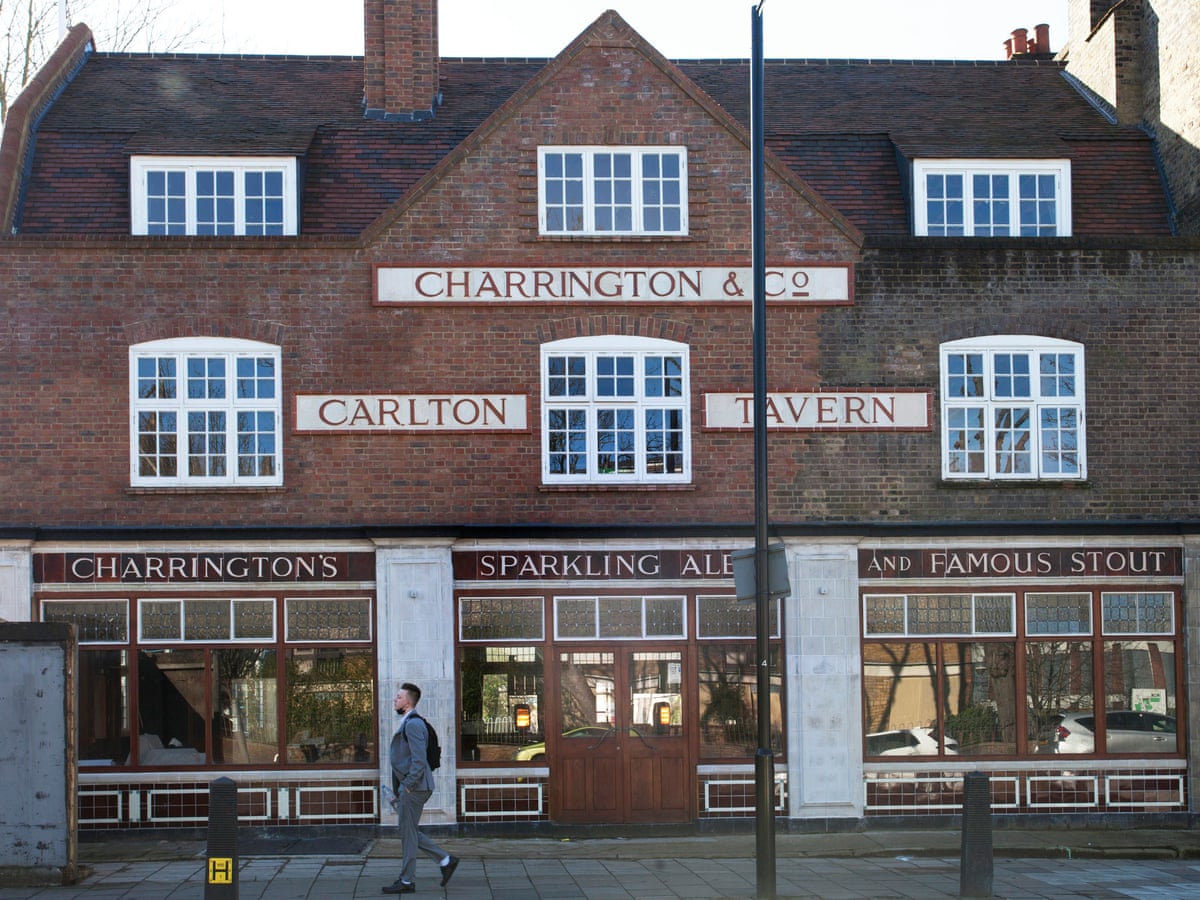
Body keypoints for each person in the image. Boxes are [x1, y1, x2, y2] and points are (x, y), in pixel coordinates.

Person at [383, 682, 460, 894]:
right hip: (414, 787)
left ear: (408, 702)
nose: (394, 700)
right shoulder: (409, 722)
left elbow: (418, 760)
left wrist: (407, 786)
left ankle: (408, 880)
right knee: (408, 831)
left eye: (398, 697)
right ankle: (445, 860)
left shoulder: (413, 725)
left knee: (407, 833)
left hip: (415, 788)